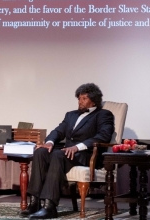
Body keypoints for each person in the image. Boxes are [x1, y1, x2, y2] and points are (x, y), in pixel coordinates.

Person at [21, 83, 114, 219]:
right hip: (67, 153)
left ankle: (50, 206)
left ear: (93, 100)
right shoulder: (70, 115)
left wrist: (77, 147)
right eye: (79, 98)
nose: (80, 102)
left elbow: (103, 136)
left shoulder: (103, 115)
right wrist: (49, 142)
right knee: (40, 152)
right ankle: (34, 203)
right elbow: (58, 131)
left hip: (86, 154)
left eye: (84, 99)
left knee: (58, 154)